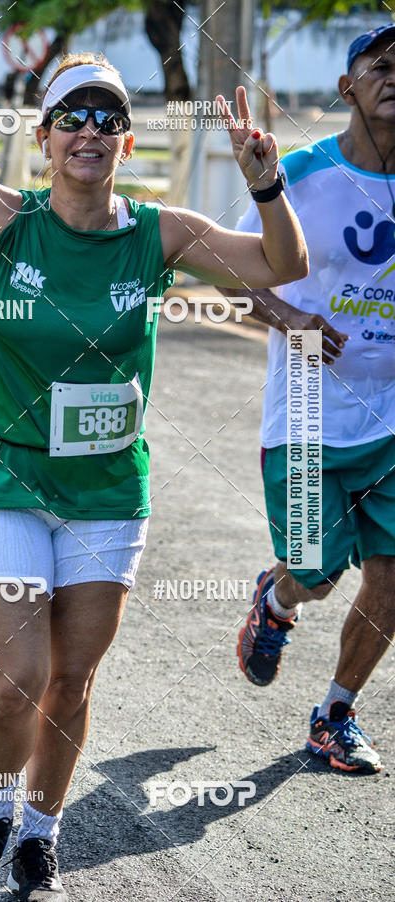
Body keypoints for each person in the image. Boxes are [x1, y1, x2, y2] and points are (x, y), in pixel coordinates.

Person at [0, 12, 307, 902]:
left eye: (107, 117)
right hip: (7, 477)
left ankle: (40, 834)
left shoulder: (160, 234)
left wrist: (266, 181)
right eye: (74, 116)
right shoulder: (1, 215)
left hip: (107, 492)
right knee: (14, 682)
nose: (91, 130)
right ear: (46, 136)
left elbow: (281, 267)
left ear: (126, 140)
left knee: (72, 679)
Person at [225, 24, 395, 774]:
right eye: (380, 65)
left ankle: (335, 714)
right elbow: (230, 272)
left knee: (392, 576)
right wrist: (289, 317)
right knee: (319, 574)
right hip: (305, 420)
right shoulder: (296, 174)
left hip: (391, 423)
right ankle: (278, 598)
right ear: (346, 87)